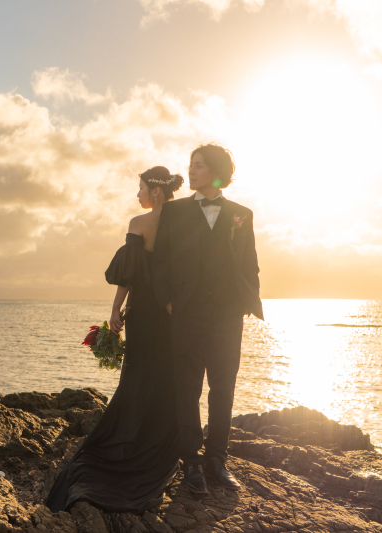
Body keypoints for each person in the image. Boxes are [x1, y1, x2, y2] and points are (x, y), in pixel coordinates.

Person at [46, 166, 184, 513]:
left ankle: (126, 444)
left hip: (145, 315)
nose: (137, 195)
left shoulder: (139, 223)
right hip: (174, 315)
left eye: (140, 188)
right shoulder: (186, 223)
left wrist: (115, 310)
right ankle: (164, 448)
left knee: (136, 380)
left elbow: (130, 274)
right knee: (168, 380)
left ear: (155, 191)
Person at [152, 144, 263, 495]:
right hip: (186, 314)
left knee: (223, 389)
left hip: (228, 317)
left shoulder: (241, 214)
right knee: (187, 390)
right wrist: (169, 303)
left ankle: (218, 459)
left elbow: (250, 263)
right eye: (191, 164)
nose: (191, 171)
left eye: (198, 165)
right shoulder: (173, 212)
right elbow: (161, 263)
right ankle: (191, 463)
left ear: (215, 171)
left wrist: (245, 303)